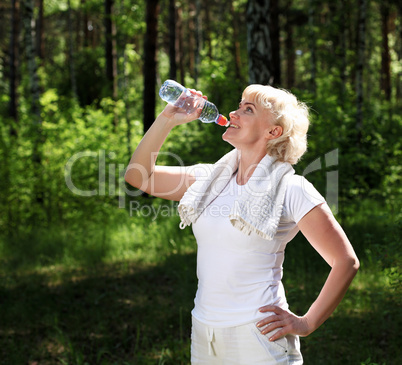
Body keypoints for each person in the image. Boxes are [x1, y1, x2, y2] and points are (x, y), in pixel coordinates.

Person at [125, 84, 359, 364]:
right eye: (239, 105)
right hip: (204, 333)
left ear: (273, 132)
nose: (233, 113)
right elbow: (138, 177)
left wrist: (306, 323)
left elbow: (346, 261)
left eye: (248, 110)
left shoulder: (292, 188)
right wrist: (168, 118)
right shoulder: (208, 179)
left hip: (258, 337)